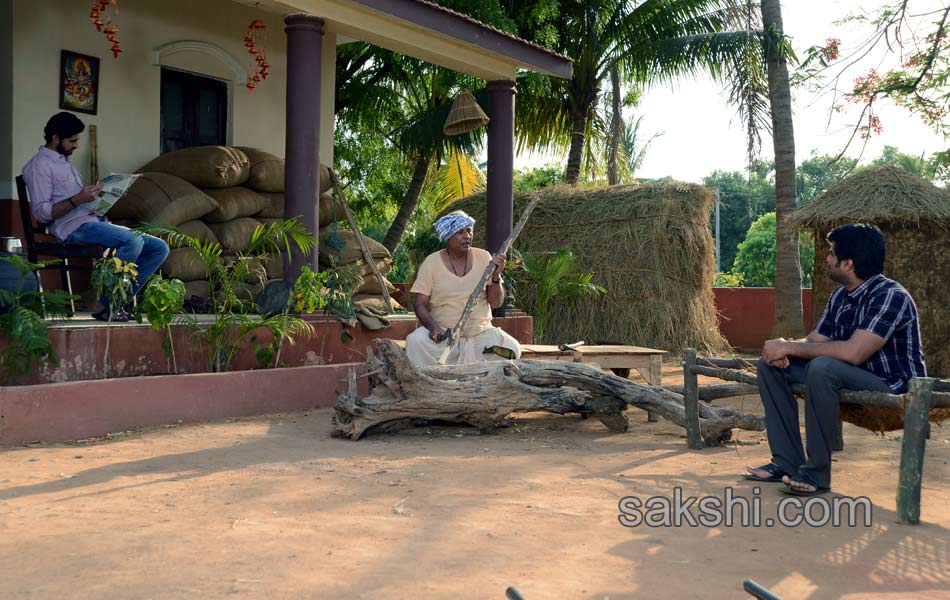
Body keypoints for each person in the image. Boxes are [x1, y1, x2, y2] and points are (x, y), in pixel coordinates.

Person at [745, 223, 925, 495]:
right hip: (848, 378)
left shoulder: (891, 296)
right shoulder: (841, 296)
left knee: (823, 367)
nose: (827, 258)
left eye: (831, 253)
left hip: (892, 386)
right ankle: (786, 462)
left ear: (848, 263)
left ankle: (817, 473)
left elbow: (854, 352)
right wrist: (785, 349)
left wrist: (793, 349)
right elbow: (815, 342)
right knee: (770, 366)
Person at [22, 112, 169, 321]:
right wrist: (78, 199)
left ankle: (118, 301)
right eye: (72, 140)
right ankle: (107, 305)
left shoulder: (63, 162)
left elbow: (78, 200)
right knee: (133, 241)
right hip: (71, 229)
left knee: (159, 247)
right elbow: (42, 213)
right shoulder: (39, 166)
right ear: (55, 138)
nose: (76, 145)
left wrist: (108, 193)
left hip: (91, 221)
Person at [405, 210, 522, 367]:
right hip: (445, 337)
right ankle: (434, 384)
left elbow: (495, 304)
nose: (467, 236)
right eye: (460, 232)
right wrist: (434, 329)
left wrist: (495, 277)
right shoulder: (431, 263)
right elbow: (419, 303)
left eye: (469, 231)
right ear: (448, 236)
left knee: (512, 349)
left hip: (482, 336)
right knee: (415, 342)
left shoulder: (484, 258)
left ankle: (481, 384)